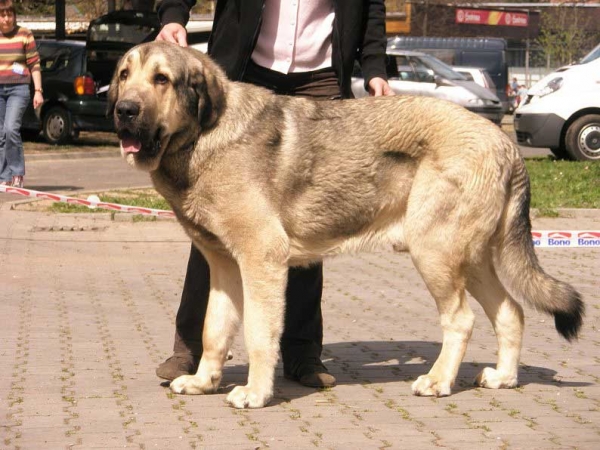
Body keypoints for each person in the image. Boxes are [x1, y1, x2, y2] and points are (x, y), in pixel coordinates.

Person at [155, 0, 393, 388]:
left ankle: (302, 354)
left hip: (320, 77)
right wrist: (172, 18)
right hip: (246, 71)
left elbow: (371, 6)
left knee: (308, 216)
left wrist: (374, 69)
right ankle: (192, 352)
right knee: (213, 222)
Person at [0, 0, 43, 188]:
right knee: (1, 135)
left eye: (10, 14)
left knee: (10, 129)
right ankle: (4, 176)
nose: (6, 19)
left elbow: (34, 64)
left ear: (14, 15)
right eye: (2, 15)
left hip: (18, 89)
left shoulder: (25, 34)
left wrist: (38, 91)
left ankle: (17, 172)